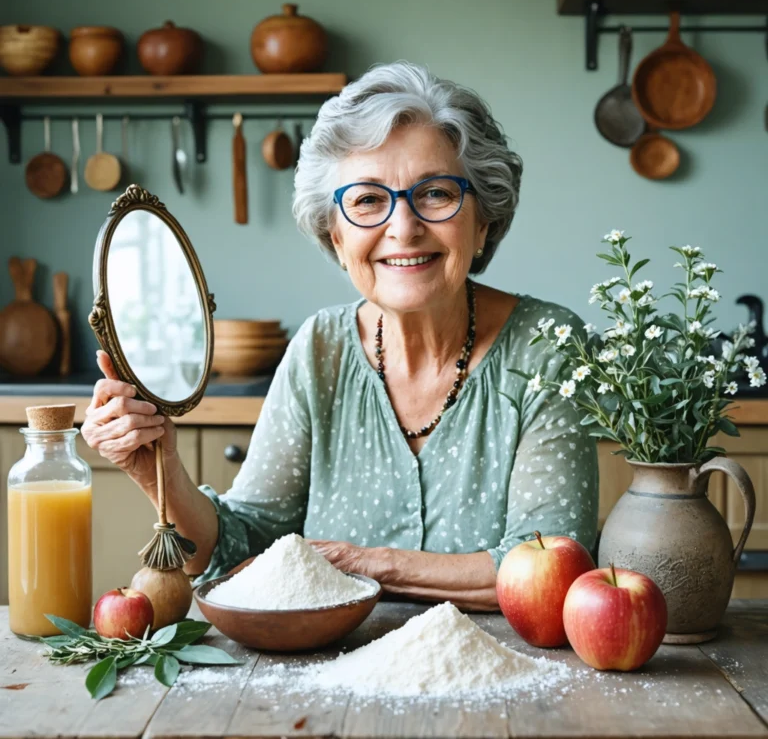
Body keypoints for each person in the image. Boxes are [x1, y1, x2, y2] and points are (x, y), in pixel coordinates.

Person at [82, 61, 598, 611]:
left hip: (504, 681)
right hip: (330, 684)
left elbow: (551, 566)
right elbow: (241, 544)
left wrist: (358, 563)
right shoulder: (319, 348)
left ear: (483, 222)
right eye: (369, 200)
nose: (403, 228)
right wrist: (156, 471)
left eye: (437, 193)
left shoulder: (546, 344)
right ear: (336, 235)